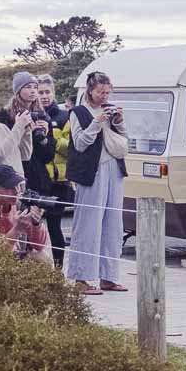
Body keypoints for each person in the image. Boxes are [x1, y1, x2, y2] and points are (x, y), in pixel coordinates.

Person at [65, 71, 129, 295]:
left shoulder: (109, 108)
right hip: (91, 172)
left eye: (107, 92)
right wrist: (96, 122)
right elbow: (80, 143)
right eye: (100, 92)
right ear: (90, 90)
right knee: (88, 225)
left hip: (114, 168)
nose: (104, 96)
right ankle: (81, 278)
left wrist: (118, 122)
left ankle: (108, 276)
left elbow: (123, 138)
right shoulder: (78, 112)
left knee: (113, 225)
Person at [33, 73, 71, 267]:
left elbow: (70, 147)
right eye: (40, 92)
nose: (44, 96)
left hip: (59, 181)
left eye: (48, 92)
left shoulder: (64, 116)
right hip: (39, 180)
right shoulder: (32, 115)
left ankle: (58, 269)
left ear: (54, 92)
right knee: (33, 224)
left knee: (55, 227)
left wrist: (53, 140)